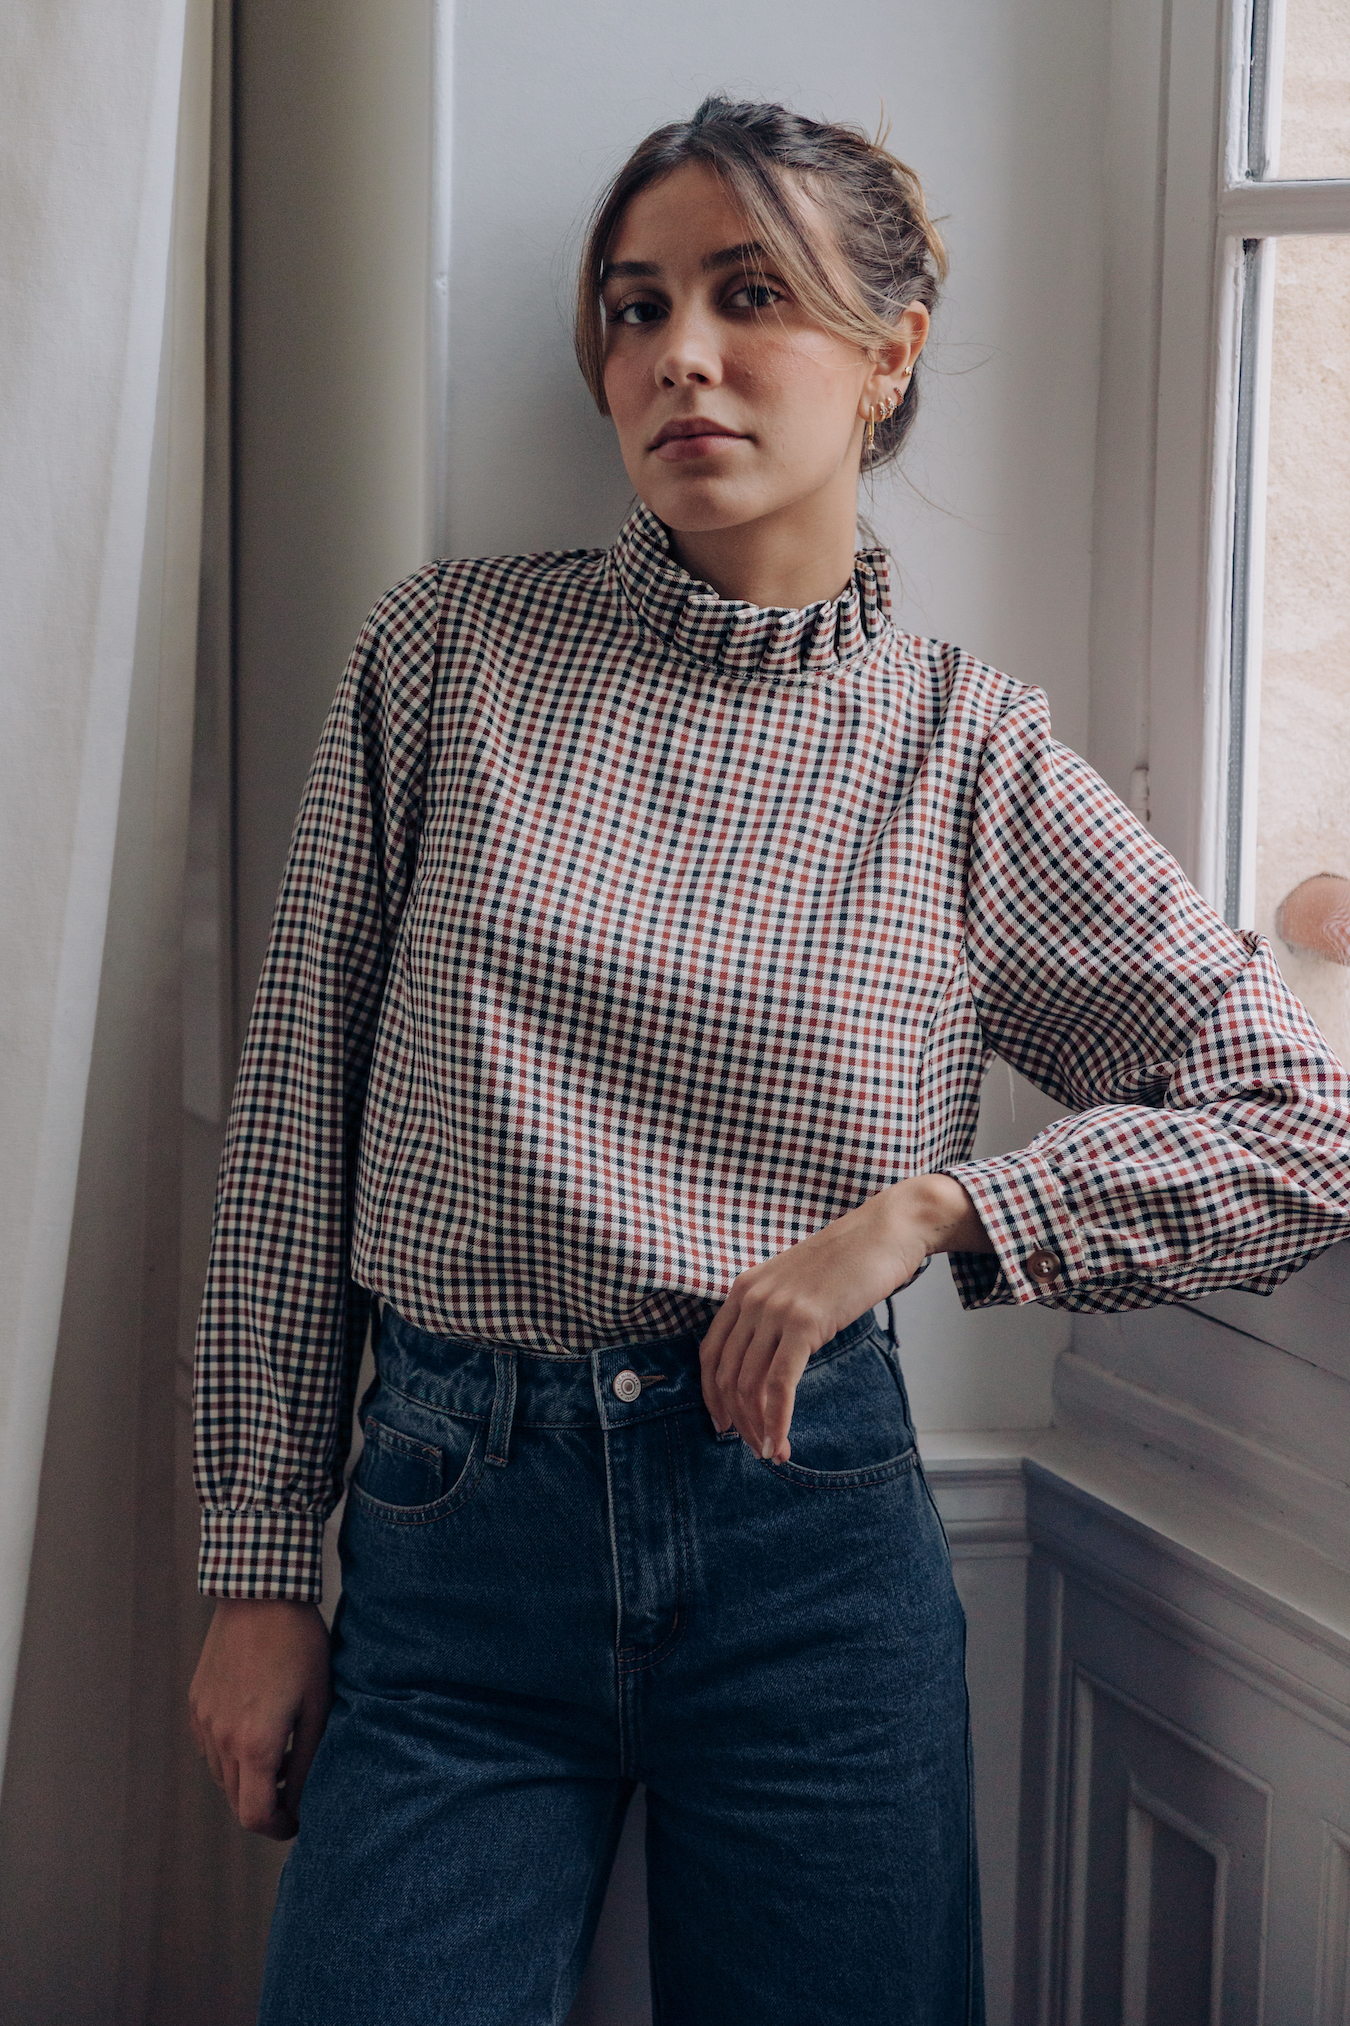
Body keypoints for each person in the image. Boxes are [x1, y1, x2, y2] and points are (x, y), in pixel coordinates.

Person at [188, 97, 1350, 2026]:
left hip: (806, 1548)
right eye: (636, 312)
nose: (681, 359)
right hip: (451, 1540)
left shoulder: (968, 759)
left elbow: (1300, 1118)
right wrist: (251, 1562)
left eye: (751, 298)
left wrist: (939, 1209)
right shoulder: (447, 659)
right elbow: (291, 1133)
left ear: (887, 353)